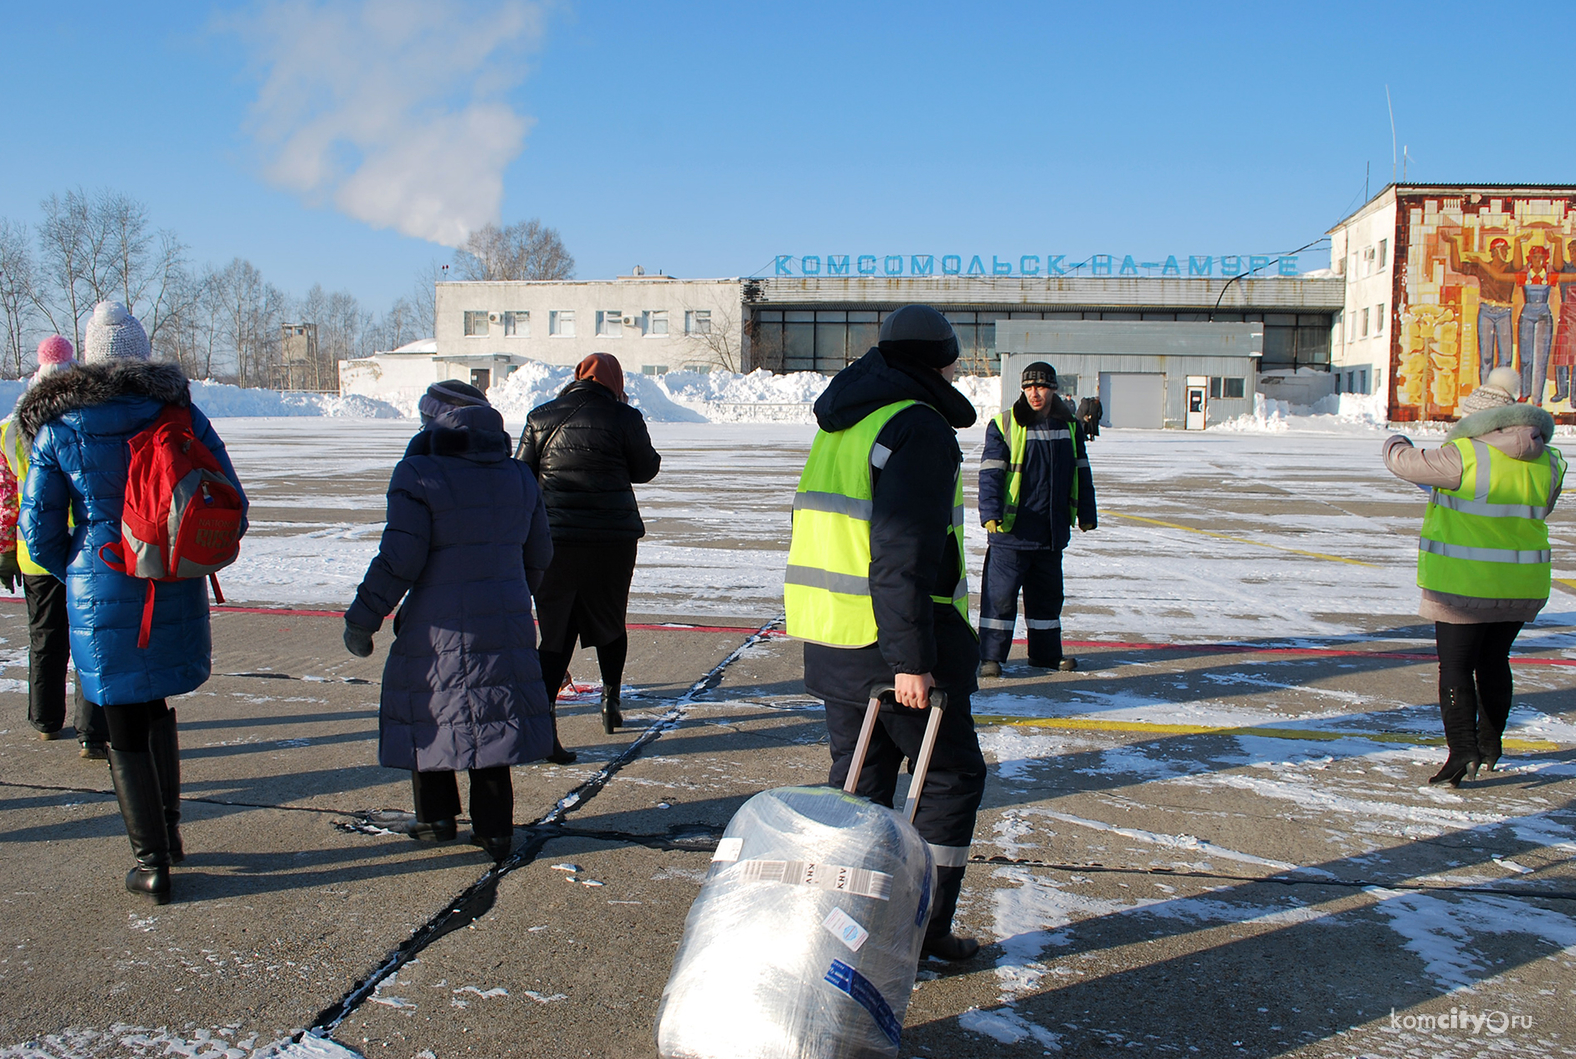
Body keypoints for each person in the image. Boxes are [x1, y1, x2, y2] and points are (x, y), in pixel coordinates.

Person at [18, 302, 246, 903]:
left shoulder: (60, 426)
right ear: (142, 354)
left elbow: (37, 533)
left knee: (119, 714)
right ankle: (169, 836)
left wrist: (81, 553)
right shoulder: (180, 413)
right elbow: (230, 494)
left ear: (91, 357)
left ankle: (151, 862)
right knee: (156, 703)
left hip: (101, 575)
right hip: (169, 572)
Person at [785, 304, 986, 962]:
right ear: (940, 360)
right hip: (886, 643)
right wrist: (911, 659)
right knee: (952, 777)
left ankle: (850, 928)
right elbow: (899, 551)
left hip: (835, 638)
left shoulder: (848, 418)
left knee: (862, 784)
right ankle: (919, 931)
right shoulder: (916, 427)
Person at [344, 381, 554, 863]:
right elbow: (540, 552)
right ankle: (497, 830)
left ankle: (437, 819)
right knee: (494, 721)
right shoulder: (519, 475)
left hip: (437, 627)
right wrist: (514, 591)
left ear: (434, 421)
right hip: (505, 621)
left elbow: (399, 559)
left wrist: (364, 617)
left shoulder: (418, 473)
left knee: (431, 715)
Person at [1383, 366, 1565, 785]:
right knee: (1495, 661)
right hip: (1522, 584)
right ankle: (1491, 743)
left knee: (1457, 666)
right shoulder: (1549, 460)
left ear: (1477, 420)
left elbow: (1405, 463)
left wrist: (1395, 439)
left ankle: (1462, 749)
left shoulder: (1464, 455)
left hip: (1463, 586)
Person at [516, 353, 660, 753]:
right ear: (615, 380)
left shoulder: (540, 416)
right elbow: (646, 469)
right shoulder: (624, 418)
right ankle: (611, 702)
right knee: (611, 618)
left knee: (556, 629)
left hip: (555, 541)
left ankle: (544, 721)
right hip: (611, 542)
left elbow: (521, 472)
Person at [1, 335, 108, 757]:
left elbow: (7, 496)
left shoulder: (9, 430)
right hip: (82, 547)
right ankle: (93, 732)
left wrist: (5, 548)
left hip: (33, 550)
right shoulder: (83, 420)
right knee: (88, 636)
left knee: (43, 637)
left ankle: (45, 719)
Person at [976, 362, 1097, 677]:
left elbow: (1081, 472)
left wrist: (1087, 512)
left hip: (1050, 531)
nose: (1034, 393)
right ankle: (990, 657)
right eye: (1028, 387)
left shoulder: (1069, 425)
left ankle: (1045, 655)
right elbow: (991, 473)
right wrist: (990, 512)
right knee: (999, 599)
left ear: (1053, 389)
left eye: (1041, 387)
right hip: (1011, 532)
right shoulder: (1005, 424)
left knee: (1047, 601)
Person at [1443, 232, 1517, 385]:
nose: (1505, 252)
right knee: (1486, 356)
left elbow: (1500, 274)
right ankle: (1485, 389)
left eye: (1506, 250)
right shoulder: (1481, 268)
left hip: (1504, 312)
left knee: (1506, 357)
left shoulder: (1510, 268)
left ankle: (1501, 387)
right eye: (1503, 250)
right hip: (1486, 311)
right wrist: (1453, 243)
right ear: (1495, 251)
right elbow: (1457, 266)